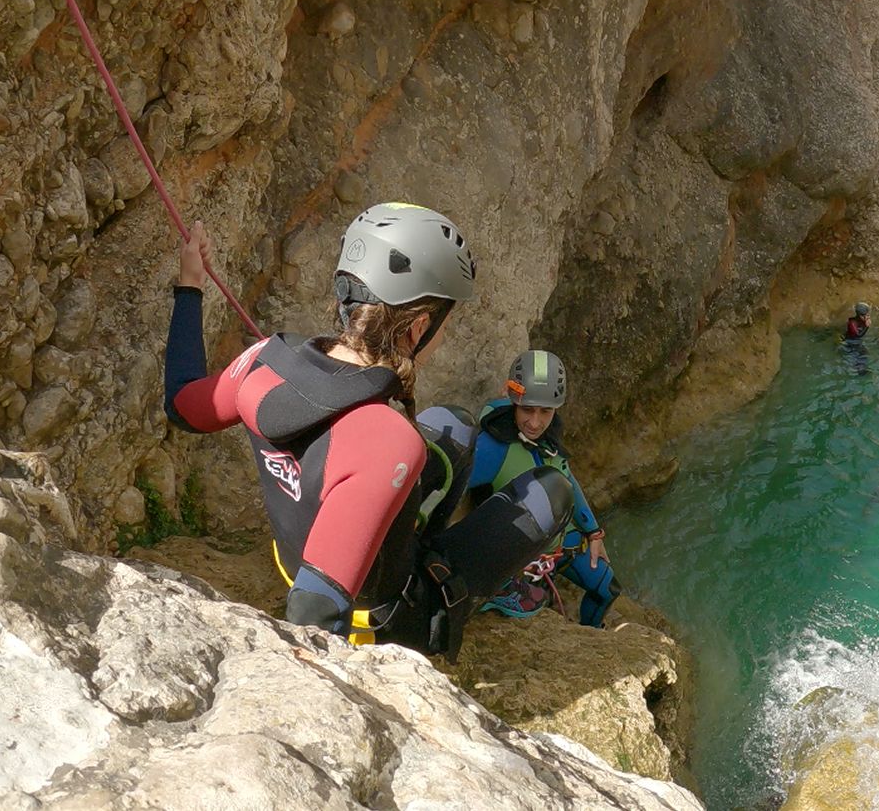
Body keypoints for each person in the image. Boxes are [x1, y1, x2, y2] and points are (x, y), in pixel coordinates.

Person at [162, 203, 573, 660]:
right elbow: (314, 612)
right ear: (419, 327)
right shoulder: (385, 441)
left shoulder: (264, 360)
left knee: (453, 424)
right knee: (552, 491)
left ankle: (413, 542)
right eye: (444, 324)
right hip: (383, 613)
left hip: (296, 554)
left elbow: (181, 404)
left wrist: (190, 286)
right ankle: (436, 594)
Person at [468, 350, 619, 628]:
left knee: (607, 588)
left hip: (561, 540)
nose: (535, 422)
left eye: (545, 412)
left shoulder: (549, 436)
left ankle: (592, 634)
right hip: (523, 555)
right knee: (541, 600)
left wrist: (593, 531)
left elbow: (566, 477)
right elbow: (452, 490)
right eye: (527, 410)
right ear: (513, 401)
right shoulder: (492, 447)